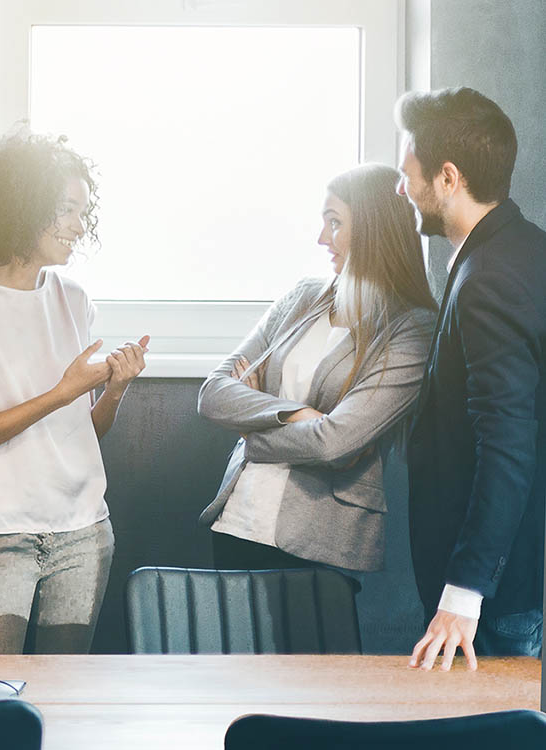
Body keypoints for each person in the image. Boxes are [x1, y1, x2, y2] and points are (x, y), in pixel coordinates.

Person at [0, 131, 146, 654]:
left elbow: (81, 433)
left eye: (81, 211)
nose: (78, 226)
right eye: (65, 209)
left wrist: (113, 391)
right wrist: (62, 390)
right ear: (20, 205)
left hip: (84, 535)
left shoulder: (74, 298)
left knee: (61, 705)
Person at [197, 164, 437, 573]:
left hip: (319, 539)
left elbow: (334, 443)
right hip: (239, 516)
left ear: (375, 230)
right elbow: (214, 393)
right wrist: (297, 414)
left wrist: (250, 431)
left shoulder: (412, 327)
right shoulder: (303, 296)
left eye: (335, 223)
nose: (322, 238)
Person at [396, 87, 546, 670]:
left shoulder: (488, 280)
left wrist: (463, 595)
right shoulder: (525, 250)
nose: (400, 188)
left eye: (408, 174)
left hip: (486, 601)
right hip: (505, 584)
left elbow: (507, 445)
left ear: (448, 178)